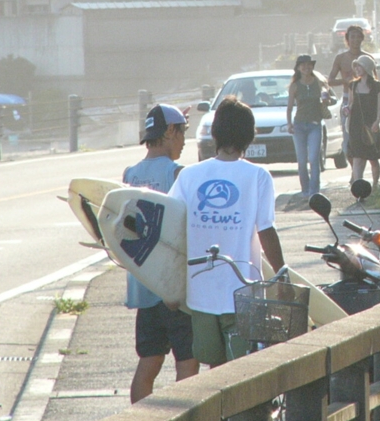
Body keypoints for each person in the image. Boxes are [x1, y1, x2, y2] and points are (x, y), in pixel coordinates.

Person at [168, 97, 285, 367]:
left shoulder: (189, 175)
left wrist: (170, 284)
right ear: (250, 135)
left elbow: (172, 229)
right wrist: (281, 276)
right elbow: (266, 231)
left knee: (213, 369)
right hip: (244, 292)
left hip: (201, 290)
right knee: (242, 372)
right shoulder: (258, 176)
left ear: (214, 133)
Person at [124, 104, 199, 402]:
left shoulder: (129, 174)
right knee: (188, 364)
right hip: (174, 291)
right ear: (170, 132)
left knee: (149, 363)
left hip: (143, 286)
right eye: (182, 133)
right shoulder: (177, 173)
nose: (184, 141)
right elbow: (184, 230)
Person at [286, 54, 330, 197]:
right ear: (298, 68)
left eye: (309, 64)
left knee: (313, 158)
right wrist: (289, 124)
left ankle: (314, 191)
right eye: (303, 65)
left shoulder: (319, 82)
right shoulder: (294, 85)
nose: (306, 67)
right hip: (299, 125)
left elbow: (326, 98)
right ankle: (305, 190)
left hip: (315, 125)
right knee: (302, 160)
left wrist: (325, 100)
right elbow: (289, 107)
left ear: (312, 66)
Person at [329, 25, 369, 166]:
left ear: (362, 39)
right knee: (347, 141)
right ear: (347, 39)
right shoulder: (341, 58)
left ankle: (359, 174)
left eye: (358, 37)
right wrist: (344, 81)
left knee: (364, 139)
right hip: (347, 101)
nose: (355, 40)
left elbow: (376, 81)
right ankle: (354, 170)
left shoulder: (367, 58)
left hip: (364, 100)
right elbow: (330, 80)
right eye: (352, 37)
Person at [347, 54, 380, 187]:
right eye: (356, 66)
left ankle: (375, 185)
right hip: (355, 125)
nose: (357, 68)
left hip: (371, 125)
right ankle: (358, 189)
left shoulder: (377, 86)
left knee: (373, 159)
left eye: (360, 66)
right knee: (357, 158)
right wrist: (347, 110)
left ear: (367, 68)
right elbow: (351, 104)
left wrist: (377, 121)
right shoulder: (353, 85)